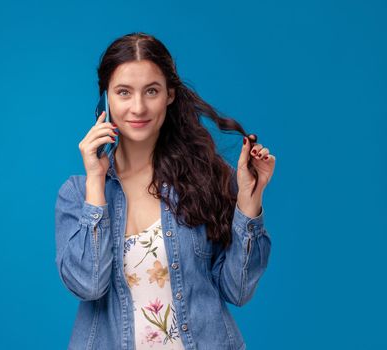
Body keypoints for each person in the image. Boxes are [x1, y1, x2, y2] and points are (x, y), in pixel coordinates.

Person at [54, 32, 275, 350]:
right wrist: (95, 183)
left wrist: (249, 204)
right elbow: (89, 284)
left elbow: (238, 290)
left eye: (152, 91)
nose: (138, 107)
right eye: (124, 92)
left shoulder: (204, 177)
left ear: (170, 94)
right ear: (106, 98)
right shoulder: (78, 195)